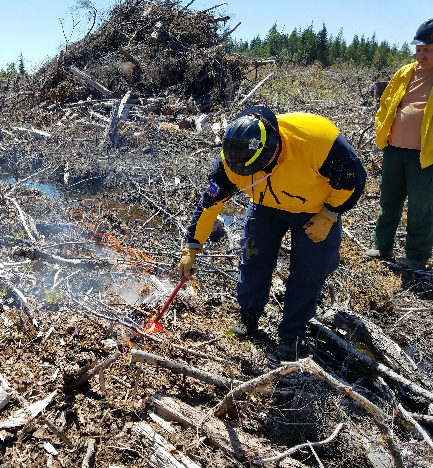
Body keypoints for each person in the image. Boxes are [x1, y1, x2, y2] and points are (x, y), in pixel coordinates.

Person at [178, 105, 367, 360]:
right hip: (265, 206)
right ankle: (248, 318)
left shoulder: (317, 141)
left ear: (273, 149)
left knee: (308, 272)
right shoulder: (232, 158)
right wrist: (192, 246)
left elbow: (354, 180)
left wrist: (329, 214)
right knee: (253, 259)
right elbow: (210, 204)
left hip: (314, 210)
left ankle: (292, 335)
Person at [365, 19, 433, 270]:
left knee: (420, 206)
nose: (421, 55)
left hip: (425, 156)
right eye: (418, 49)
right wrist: (385, 134)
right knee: (389, 200)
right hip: (394, 150)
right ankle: (382, 247)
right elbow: (385, 104)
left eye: (428, 50)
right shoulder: (405, 73)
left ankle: (417, 256)